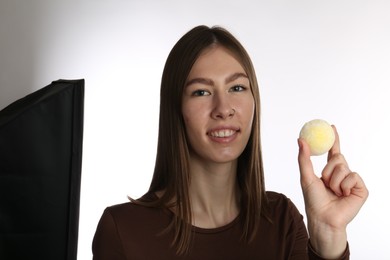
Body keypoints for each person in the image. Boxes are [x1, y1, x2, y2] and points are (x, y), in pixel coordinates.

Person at [92, 25, 368, 259]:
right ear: (176, 109)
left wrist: (328, 239)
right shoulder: (122, 231)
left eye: (237, 88)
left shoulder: (281, 220)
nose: (223, 108)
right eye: (201, 92)